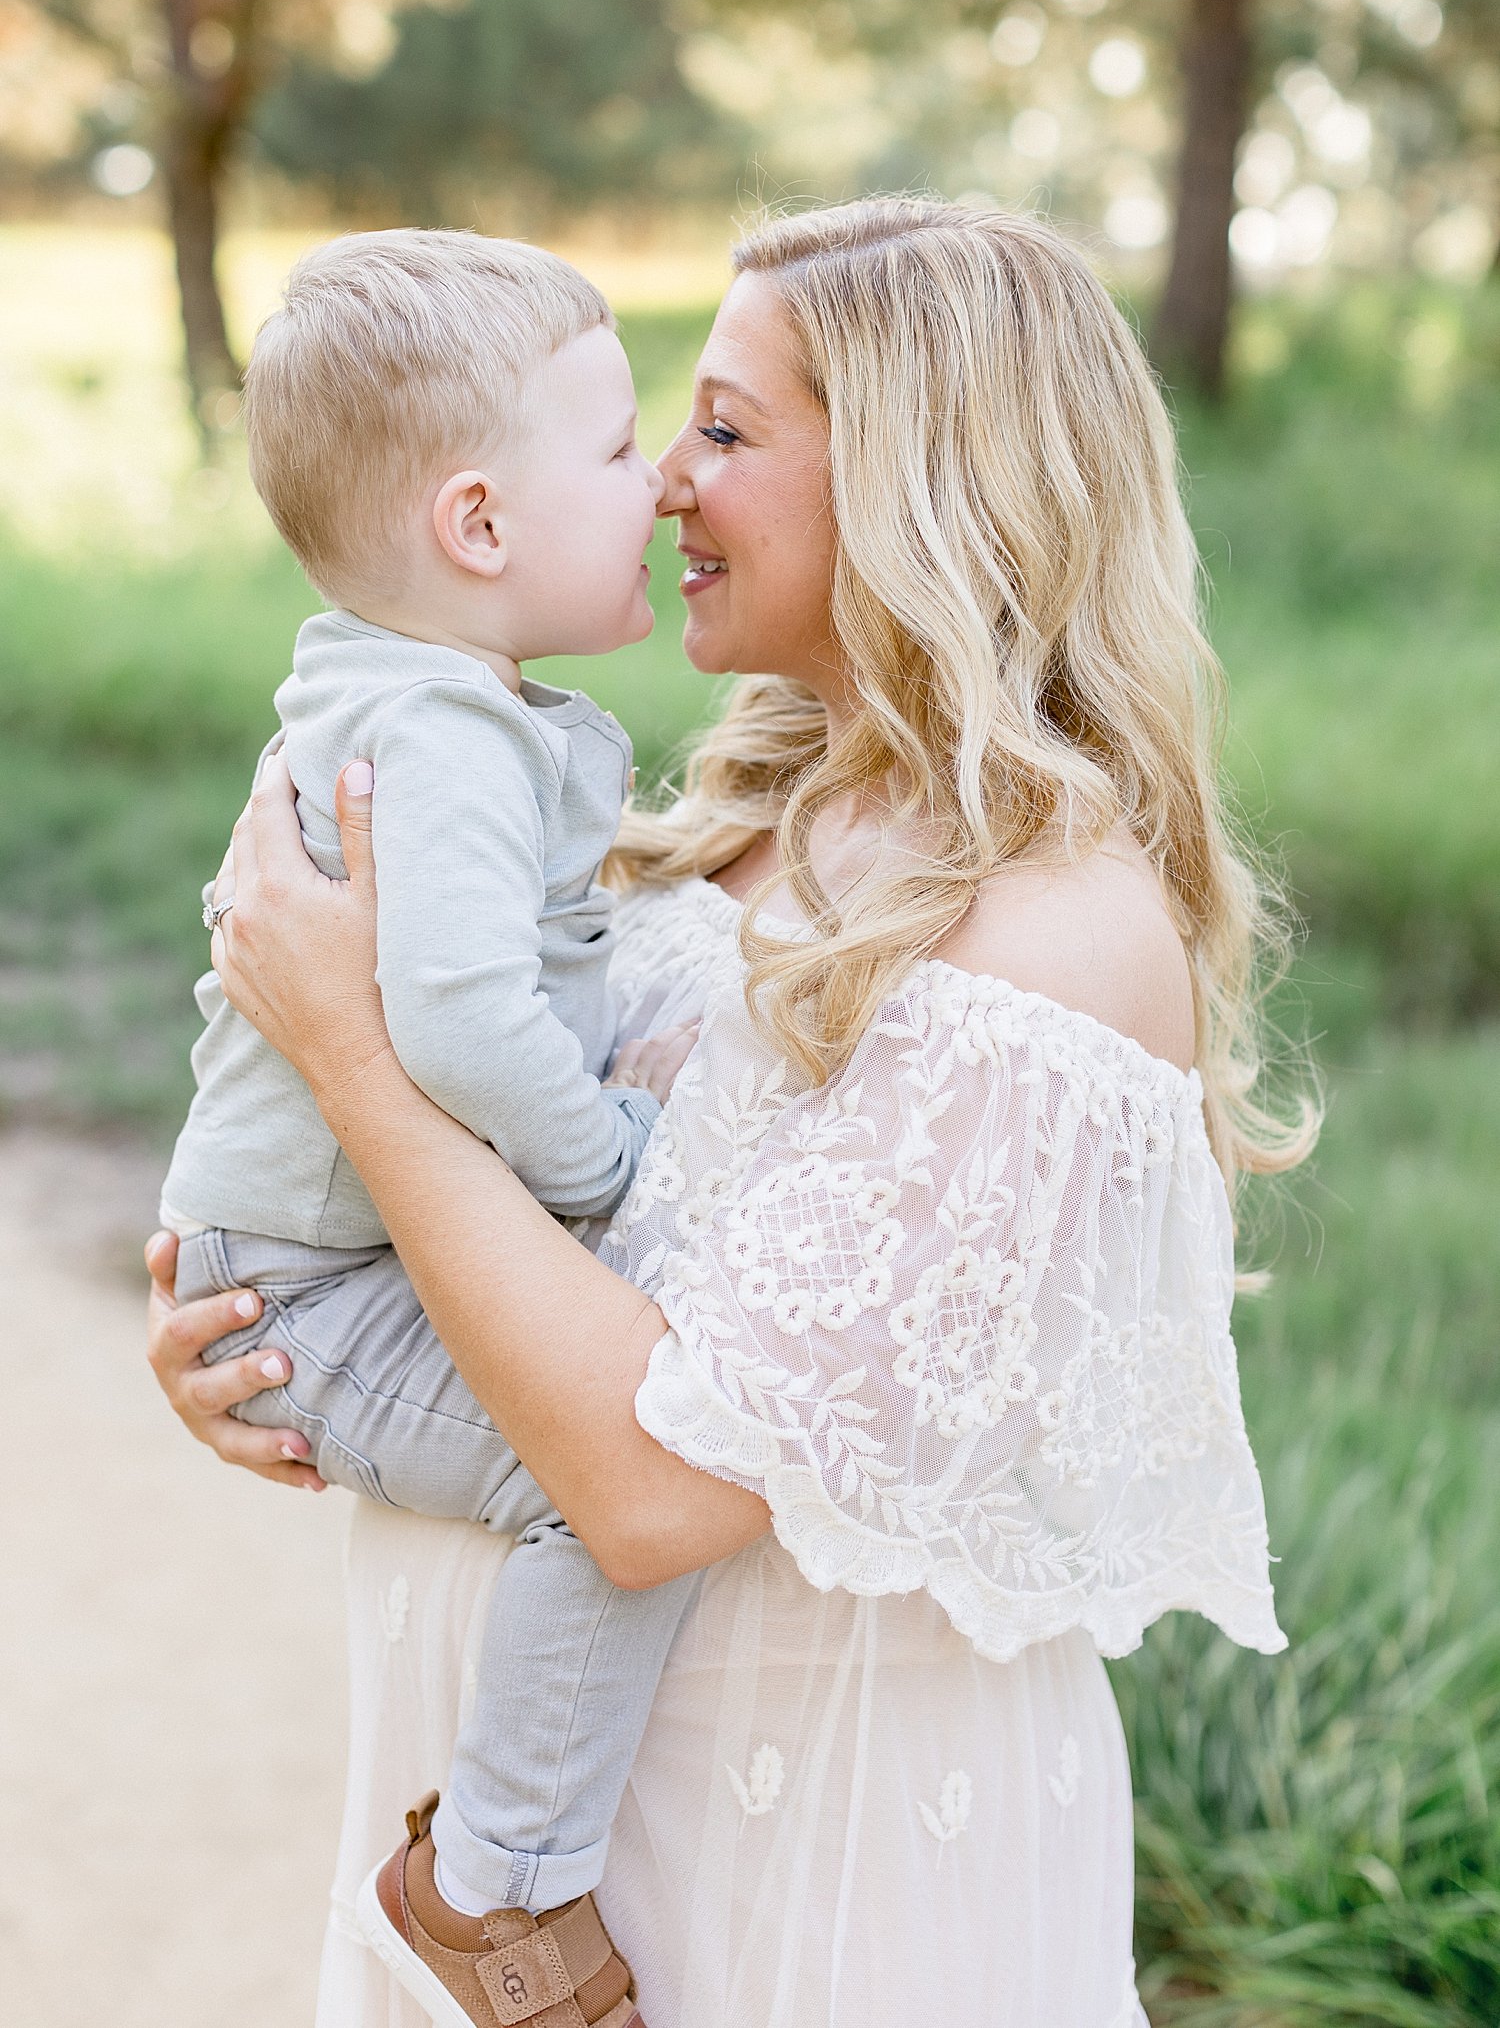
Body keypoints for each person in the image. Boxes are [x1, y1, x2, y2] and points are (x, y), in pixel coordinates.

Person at [149, 196, 1315, 2028]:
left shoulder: (1053, 928)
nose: (668, 483)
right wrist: (276, 1323)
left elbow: (648, 1478)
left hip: (806, 1898)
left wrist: (365, 1082)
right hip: (525, 1878)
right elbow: (523, 1264)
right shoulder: (715, 829)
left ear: (924, 481)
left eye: (723, 426)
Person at [159, 227, 705, 2027]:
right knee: (593, 1468)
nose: (660, 481)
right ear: (479, 527)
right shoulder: (447, 738)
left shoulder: (425, 699)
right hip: (315, 1287)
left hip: (320, 1250)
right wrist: (617, 1172)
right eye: (623, 448)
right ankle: (497, 1880)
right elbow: (463, 1018)